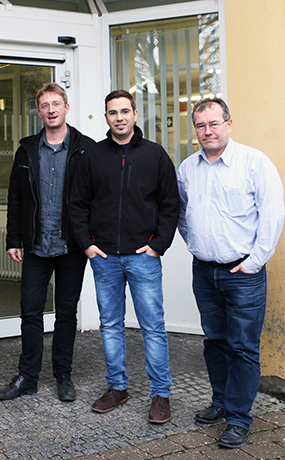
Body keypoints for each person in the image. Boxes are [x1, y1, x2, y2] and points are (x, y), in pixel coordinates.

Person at [178, 98, 284, 448]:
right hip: (204, 273)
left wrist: (253, 262)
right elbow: (181, 214)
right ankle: (221, 401)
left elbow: (272, 216)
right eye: (200, 126)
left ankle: (239, 418)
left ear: (228, 124)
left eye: (213, 124)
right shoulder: (188, 168)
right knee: (215, 342)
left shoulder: (254, 163)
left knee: (242, 347)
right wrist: (196, 245)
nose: (207, 131)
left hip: (243, 274)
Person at [69, 89, 179, 424]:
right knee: (111, 324)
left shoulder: (155, 155)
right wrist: (87, 245)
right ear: (106, 117)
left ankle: (161, 394)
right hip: (104, 258)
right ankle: (118, 387)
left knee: (153, 326)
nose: (119, 117)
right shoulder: (92, 155)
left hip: (143, 256)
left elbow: (170, 204)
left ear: (134, 115)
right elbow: (77, 204)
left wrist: (158, 244)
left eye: (124, 111)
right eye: (112, 112)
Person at [0, 83, 93, 403]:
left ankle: (63, 375)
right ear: (39, 111)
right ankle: (28, 377)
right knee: (30, 313)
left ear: (66, 108)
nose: (50, 110)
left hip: (71, 247)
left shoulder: (86, 149)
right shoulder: (26, 150)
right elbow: (16, 198)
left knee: (66, 313)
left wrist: (91, 239)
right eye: (44, 105)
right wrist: (13, 238)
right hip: (35, 246)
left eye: (56, 104)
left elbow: (96, 200)